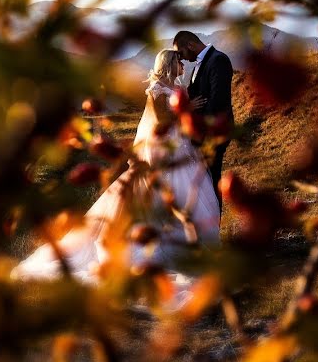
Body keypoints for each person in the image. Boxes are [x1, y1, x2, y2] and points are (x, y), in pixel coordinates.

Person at [12, 49, 220, 285]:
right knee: (171, 193)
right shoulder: (157, 88)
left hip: (179, 147)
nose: (183, 65)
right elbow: (161, 122)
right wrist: (186, 108)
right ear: (171, 64)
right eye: (179, 62)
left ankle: (196, 245)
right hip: (166, 149)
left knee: (190, 192)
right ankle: (172, 246)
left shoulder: (171, 86)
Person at [172, 30, 234, 210]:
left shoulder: (218, 60)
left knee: (213, 181)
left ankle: (215, 228)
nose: (181, 59)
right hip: (201, 134)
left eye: (181, 53)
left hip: (213, 133)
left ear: (190, 45)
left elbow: (218, 101)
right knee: (205, 181)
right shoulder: (200, 64)